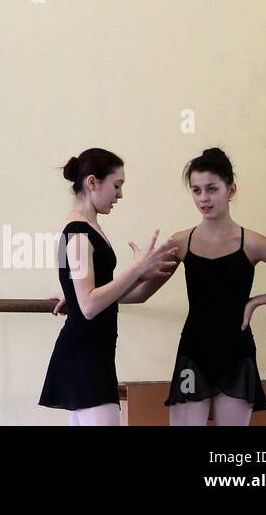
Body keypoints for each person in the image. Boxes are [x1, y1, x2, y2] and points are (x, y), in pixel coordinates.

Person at [149, 147, 266, 425]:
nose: (203, 198)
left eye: (212, 189)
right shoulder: (181, 242)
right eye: (196, 190)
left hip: (236, 355)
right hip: (193, 353)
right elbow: (139, 295)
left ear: (231, 189)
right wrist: (80, 295)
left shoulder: (253, 243)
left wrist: (256, 301)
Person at [39, 148, 178, 425]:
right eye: (117, 185)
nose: (120, 195)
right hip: (84, 359)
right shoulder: (78, 233)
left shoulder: (91, 228)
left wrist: (154, 271)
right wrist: (137, 269)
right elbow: (89, 305)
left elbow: (112, 295)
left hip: (93, 355)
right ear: (92, 183)